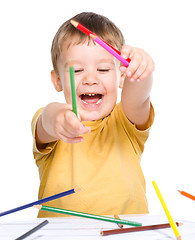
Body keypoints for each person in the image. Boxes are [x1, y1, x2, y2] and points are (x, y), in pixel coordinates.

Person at [31, 12, 155, 217]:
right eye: (77, 70)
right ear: (57, 80)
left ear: (122, 76)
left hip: (126, 233)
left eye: (103, 69)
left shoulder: (125, 120)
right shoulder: (53, 122)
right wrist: (59, 120)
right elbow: (48, 119)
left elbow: (139, 96)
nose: (90, 79)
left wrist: (141, 71)